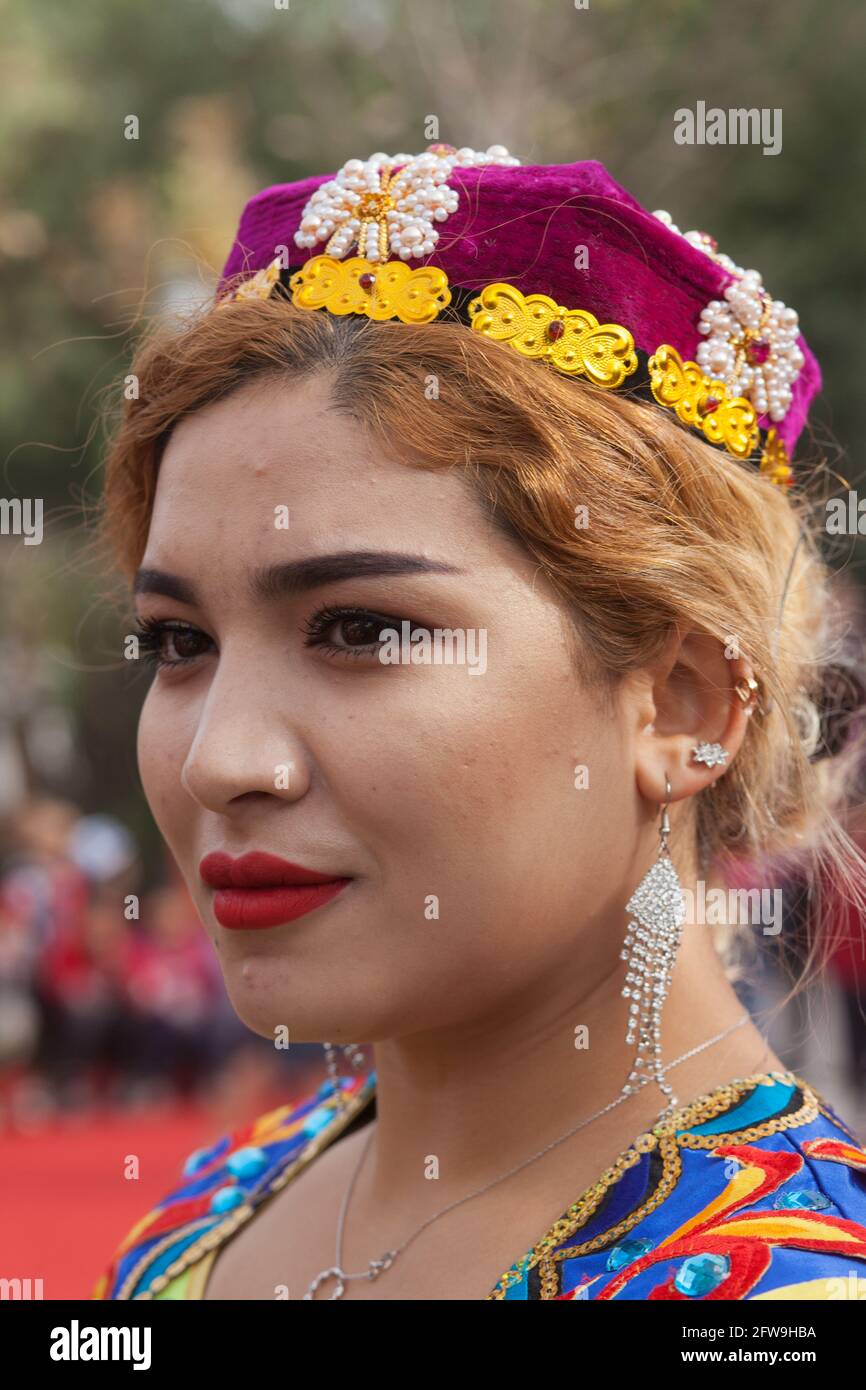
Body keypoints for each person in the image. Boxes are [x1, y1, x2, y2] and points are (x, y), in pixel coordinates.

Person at [91, 146, 866, 1301]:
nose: (221, 760)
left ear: (680, 703)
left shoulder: (781, 1291)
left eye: (360, 630)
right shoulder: (210, 1209)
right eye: (179, 643)